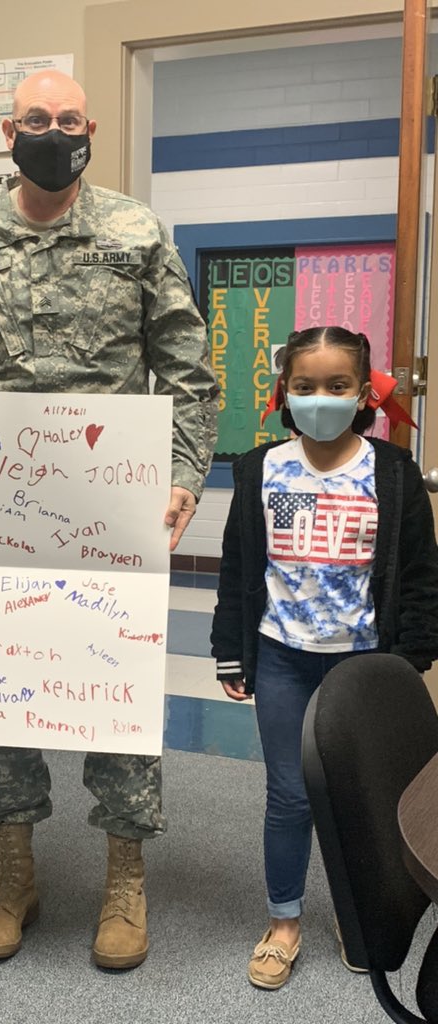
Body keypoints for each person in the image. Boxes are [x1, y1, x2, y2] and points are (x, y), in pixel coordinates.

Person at [0, 70, 218, 969]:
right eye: (38, 118)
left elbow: (188, 372)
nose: (54, 132)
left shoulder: (135, 231)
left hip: (109, 504)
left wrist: (183, 477)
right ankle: (14, 875)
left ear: (90, 128)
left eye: (69, 119)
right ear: (9, 131)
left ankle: (124, 881)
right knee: (0, 686)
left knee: (113, 692)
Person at [210, 325, 438, 989]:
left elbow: (420, 574)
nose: (320, 398)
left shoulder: (391, 472)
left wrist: (410, 658)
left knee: (363, 801)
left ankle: (357, 911)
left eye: (337, 385)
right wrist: (230, 652)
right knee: (288, 797)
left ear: (363, 393)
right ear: (285, 392)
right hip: (282, 657)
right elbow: (238, 568)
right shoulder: (260, 468)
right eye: (305, 386)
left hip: (362, 667)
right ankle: (283, 921)